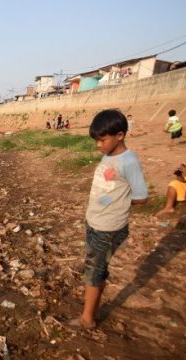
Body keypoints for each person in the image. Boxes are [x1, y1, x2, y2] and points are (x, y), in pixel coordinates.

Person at [70, 109, 148, 329]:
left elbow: (141, 197)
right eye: (96, 140)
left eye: (102, 140)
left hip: (109, 227)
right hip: (94, 221)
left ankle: (87, 319)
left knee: (93, 271)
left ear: (120, 135)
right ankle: (92, 307)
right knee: (98, 268)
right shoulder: (109, 155)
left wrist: (119, 201)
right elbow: (109, 190)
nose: (98, 145)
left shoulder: (129, 161)